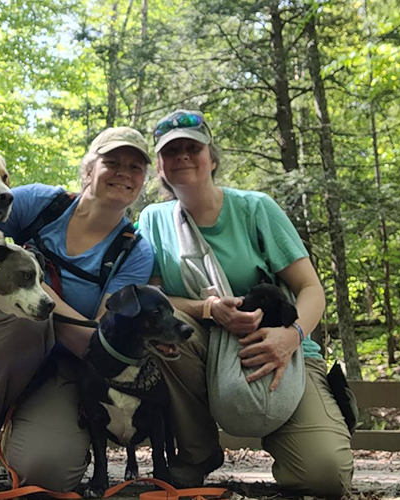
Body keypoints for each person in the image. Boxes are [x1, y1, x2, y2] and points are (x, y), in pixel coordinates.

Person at [0, 127, 154, 492]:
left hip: (65, 368)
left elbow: (99, 343)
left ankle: (18, 432)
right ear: (89, 168)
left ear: (142, 182)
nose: (124, 172)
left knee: (48, 471)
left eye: (136, 167)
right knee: (22, 321)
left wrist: (30, 294)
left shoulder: (133, 252)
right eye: (112, 162)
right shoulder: (41, 204)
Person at [137, 109, 354, 497]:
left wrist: (291, 336)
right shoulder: (153, 221)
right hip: (202, 348)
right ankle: (197, 452)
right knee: (158, 334)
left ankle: (291, 430)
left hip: (280, 345)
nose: (183, 156)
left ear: (212, 158)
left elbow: (311, 290)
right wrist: (207, 310)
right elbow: (153, 300)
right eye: (171, 152)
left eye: (193, 147)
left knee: (324, 477)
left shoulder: (256, 209)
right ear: (160, 166)